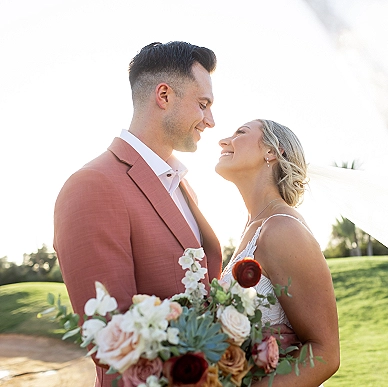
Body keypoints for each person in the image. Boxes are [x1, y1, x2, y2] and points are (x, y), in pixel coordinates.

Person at [53, 41, 222, 387]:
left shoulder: (183, 187)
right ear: (163, 96)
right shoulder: (92, 186)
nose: (211, 121)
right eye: (203, 105)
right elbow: (113, 346)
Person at [217, 119, 340, 386]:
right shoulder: (251, 228)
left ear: (271, 152)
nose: (223, 141)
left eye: (240, 132)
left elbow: (325, 353)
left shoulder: (283, 228)